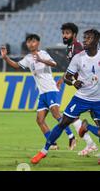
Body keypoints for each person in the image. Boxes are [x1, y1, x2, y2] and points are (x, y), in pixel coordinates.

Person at [31, 29, 100, 165]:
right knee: (63, 123)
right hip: (81, 98)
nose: (85, 40)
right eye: (84, 37)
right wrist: (74, 82)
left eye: (89, 38)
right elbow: (67, 77)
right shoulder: (78, 58)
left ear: (97, 40)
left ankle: (86, 126)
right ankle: (44, 151)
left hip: (98, 100)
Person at [1, 34, 76, 152]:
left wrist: (41, 60)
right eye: (29, 42)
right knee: (39, 120)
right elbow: (16, 65)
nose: (31, 44)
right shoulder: (28, 58)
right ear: (26, 44)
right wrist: (6, 58)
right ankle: (52, 143)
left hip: (51, 90)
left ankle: (71, 137)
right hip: (42, 94)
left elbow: (54, 64)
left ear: (38, 43)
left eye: (33, 41)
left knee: (56, 115)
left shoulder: (43, 54)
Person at [58, 22, 98, 156]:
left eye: (67, 33)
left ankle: (90, 144)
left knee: (72, 117)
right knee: (74, 117)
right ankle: (90, 144)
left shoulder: (78, 48)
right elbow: (72, 69)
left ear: (74, 35)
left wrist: (73, 80)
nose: (64, 35)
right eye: (63, 33)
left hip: (89, 88)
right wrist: (64, 79)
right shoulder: (70, 47)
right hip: (83, 88)